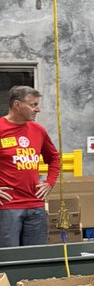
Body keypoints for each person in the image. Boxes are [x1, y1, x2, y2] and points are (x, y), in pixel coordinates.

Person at [0, 86, 61, 248]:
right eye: (33, 105)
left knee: (36, 258)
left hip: (36, 206)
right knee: (10, 259)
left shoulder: (38, 130)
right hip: (8, 208)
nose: (38, 109)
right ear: (17, 105)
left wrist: (50, 182)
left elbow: (54, 158)